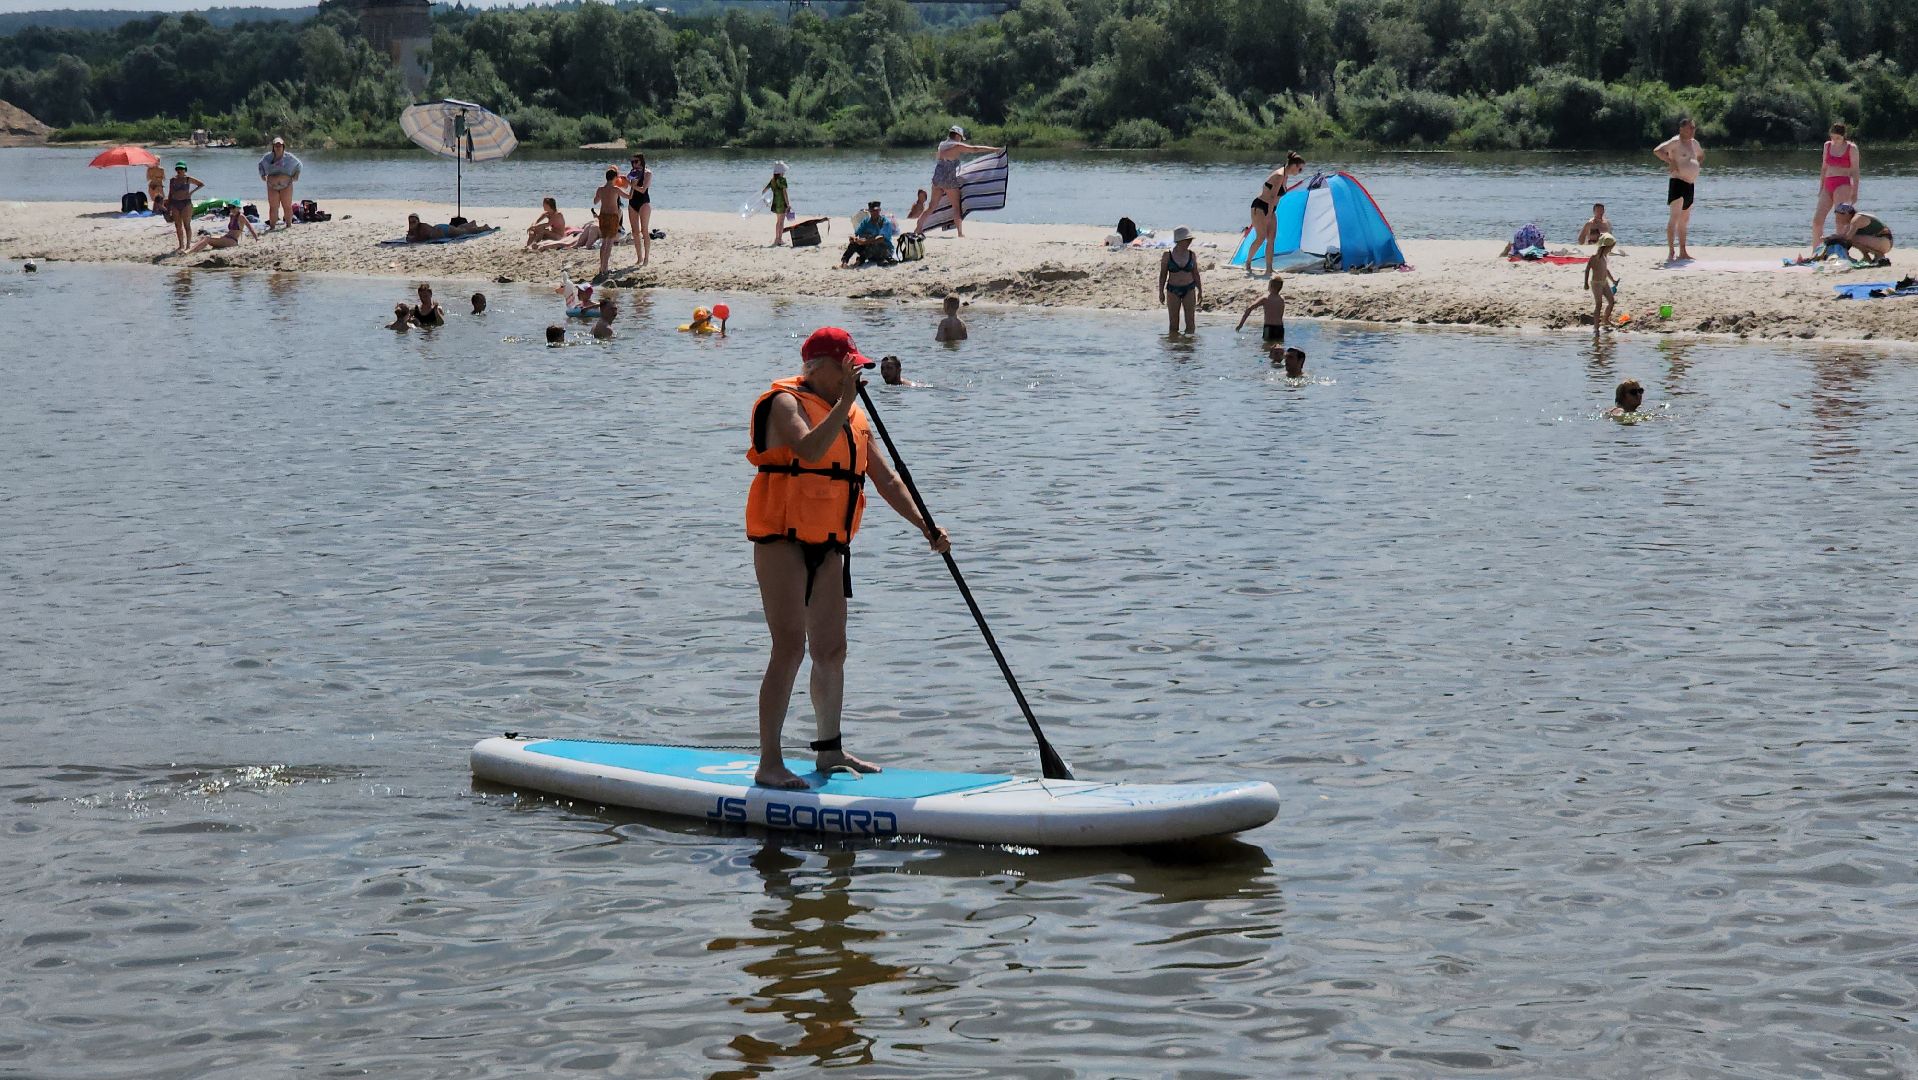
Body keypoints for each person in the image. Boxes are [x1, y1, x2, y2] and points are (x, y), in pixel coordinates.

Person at [745, 326, 951, 791]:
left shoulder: (852, 417)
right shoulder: (785, 403)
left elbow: (888, 481)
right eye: (848, 368)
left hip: (829, 546)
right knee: (789, 648)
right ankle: (770, 762)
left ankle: (829, 750)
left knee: (832, 650)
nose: (853, 377)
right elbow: (808, 449)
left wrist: (927, 528)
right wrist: (843, 405)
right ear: (820, 368)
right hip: (782, 541)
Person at [918, 126, 1002, 238]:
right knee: (957, 207)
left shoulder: (941, 145)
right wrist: (994, 149)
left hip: (937, 178)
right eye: (961, 137)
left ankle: (917, 229)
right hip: (949, 180)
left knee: (931, 207)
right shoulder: (957, 146)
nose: (961, 140)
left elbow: (940, 157)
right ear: (957, 136)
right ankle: (960, 233)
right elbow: (974, 149)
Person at [1248, 151, 1305, 276]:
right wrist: (1268, 214)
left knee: (1271, 239)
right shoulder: (1280, 175)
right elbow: (1272, 196)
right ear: (1294, 166)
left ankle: (1269, 268)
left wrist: (1272, 212)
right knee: (1261, 237)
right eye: (1300, 169)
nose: (1299, 172)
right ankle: (1248, 262)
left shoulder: (1285, 176)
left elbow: (1275, 198)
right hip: (1261, 206)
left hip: (1271, 208)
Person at [1654, 118, 1703, 264]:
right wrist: (1671, 161)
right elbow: (1657, 151)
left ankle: (1683, 251)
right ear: (1682, 129)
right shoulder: (1676, 141)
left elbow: (1701, 155)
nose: (1693, 130)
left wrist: (1694, 166)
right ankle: (1671, 251)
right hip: (1678, 181)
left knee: (1685, 219)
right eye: (1690, 128)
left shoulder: (1694, 143)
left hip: (1690, 183)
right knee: (1674, 217)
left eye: (1694, 127)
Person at [1812, 123, 1862, 253]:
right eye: (1833, 137)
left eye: (1838, 138)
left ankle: (1840, 251)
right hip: (1828, 183)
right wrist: (1821, 187)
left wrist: (1855, 192)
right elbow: (1824, 168)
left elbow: (1855, 171)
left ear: (1844, 136)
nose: (1835, 140)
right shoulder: (1827, 145)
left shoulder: (1851, 148)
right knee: (1817, 220)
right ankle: (1816, 251)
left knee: (1840, 221)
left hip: (1843, 184)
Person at [1159, 225, 1202, 335]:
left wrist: (1200, 291)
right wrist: (1161, 292)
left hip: (1189, 289)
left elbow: (1196, 274)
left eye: (1190, 240)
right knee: (1174, 324)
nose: (1189, 242)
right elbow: (1163, 274)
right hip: (1173, 290)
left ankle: (1189, 348)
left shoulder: (1191, 255)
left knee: (1190, 322)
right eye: (1187, 240)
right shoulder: (1167, 255)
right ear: (1179, 240)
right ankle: (1173, 348)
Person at [257, 137, 302, 230]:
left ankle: (289, 225)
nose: (278, 147)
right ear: (273, 147)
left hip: (286, 185)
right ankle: (272, 227)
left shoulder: (289, 158)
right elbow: (260, 165)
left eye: (280, 145)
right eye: (276, 145)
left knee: (287, 206)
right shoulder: (267, 157)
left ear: (283, 146)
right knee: (273, 207)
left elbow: (299, 165)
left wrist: (296, 175)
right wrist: (262, 175)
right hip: (272, 185)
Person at [1826, 204, 1893, 263]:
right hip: (1881, 241)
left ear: (1846, 214)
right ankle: (1867, 258)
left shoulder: (1856, 219)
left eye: (1838, 217)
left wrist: (1833, 237)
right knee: (1849, 239)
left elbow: (1847, 238)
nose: (1837, 220)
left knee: (1852, 239)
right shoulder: (1851, 222)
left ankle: (1878, 255)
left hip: (1885, 241)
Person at [840, 201, 897, 267]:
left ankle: (860, 260)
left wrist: (865, 241)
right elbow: (857, 233)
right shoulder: (866, 221)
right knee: (854, 243)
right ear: (869, 211)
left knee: (875, 242)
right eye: (872, 211)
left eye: (876, 210)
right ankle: (844, 262)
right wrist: (854, 238)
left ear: (879, 210)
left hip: (885, 250)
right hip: (869, 250)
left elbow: (881, 238)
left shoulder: (885, 222)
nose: (874, 212)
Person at [186, 203, 261, 253]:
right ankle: (190, 250)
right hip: (226, 237)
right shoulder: (232, 216)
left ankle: (189, 252)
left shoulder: (241, 216)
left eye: (233, 207)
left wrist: (256, 238)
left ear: (238, 208)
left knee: (207, 239)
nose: (231, 209)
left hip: (232, 241)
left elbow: (250, 227)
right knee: (204, 237)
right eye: (230, 208)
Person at [165, 162, 204, 253]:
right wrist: (169, 206)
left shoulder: (188, 179)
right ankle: (181, 245)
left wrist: (191, 192)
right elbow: (170, 193)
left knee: (187, 225)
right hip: (175, 203)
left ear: (185, 170)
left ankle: (188, 245)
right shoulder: (173, 180)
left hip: (186, 203)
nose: (179, 170)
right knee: (178, 226)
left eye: (181, 169)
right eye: (178, 169)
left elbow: (201, 184)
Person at [592, 168, 624, 279]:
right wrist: (631, 186)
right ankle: (605, 269)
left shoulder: (600, 189)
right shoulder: (616, 189)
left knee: (604, 242)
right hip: (612, 217)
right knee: (609, 243)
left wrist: (602, 196)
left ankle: (602, 267)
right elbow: (629, 197)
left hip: (603, 216)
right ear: (614, 178)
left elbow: (595, 201)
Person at [1584, 233, 1619, 332]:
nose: (1611, 250)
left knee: (1611, 302)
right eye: (1610, 248)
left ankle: (1605, 319)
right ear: (1605, 247)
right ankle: (1596, 326)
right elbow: (1587, 270)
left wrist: (1613, 280)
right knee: (1599, 304)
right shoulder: (1594, 257)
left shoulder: (1604, 257)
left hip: (1604, 282)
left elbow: (1605, 270)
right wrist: (1585, 283)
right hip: (1596, 283)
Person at [1236, 276, 1286, 342]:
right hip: (1280, 328)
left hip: (1269, 327)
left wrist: (1241, 324)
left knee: (1266, 347)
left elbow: (1249, 308)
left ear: (1270, 286)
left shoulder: (1265, 298)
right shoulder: (1282, 299)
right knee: (1279, 346)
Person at [625, 153, 653, 267]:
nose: (634, 164)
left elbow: (642, 190)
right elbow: (629, 191)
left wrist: (631, 185)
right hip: (632, 203)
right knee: (635, 232)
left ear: (641, 161)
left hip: (644, 203)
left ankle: (646, 258)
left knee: (644, 230)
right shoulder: (632, 173)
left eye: (636, 161)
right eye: (632, 162)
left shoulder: (647, 173)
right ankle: (639, 258)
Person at [406, 214, 491, 242]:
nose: (412, 224)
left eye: (414, 221)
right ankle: (471, 223)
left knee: (463, 232)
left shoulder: (422, 226)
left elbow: (419, 239)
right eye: (410, 222)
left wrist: (412, 236)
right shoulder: (413, 230)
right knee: (460, 229)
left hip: (443, 230)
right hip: (440, 229)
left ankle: (484, 228)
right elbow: (409, 239)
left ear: (418, 221)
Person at [763, 161, 791, 246]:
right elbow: (784, 193)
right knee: (781, 222)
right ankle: (779, 239)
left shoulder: (773, 180)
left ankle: (777, 239)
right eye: (783, 171)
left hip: (775, 203)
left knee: (778, 221)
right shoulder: (782, 180)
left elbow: (764, 191)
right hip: (782, 203)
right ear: (781, 171)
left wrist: (765, 201)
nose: (784, 172)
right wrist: (788, 204)